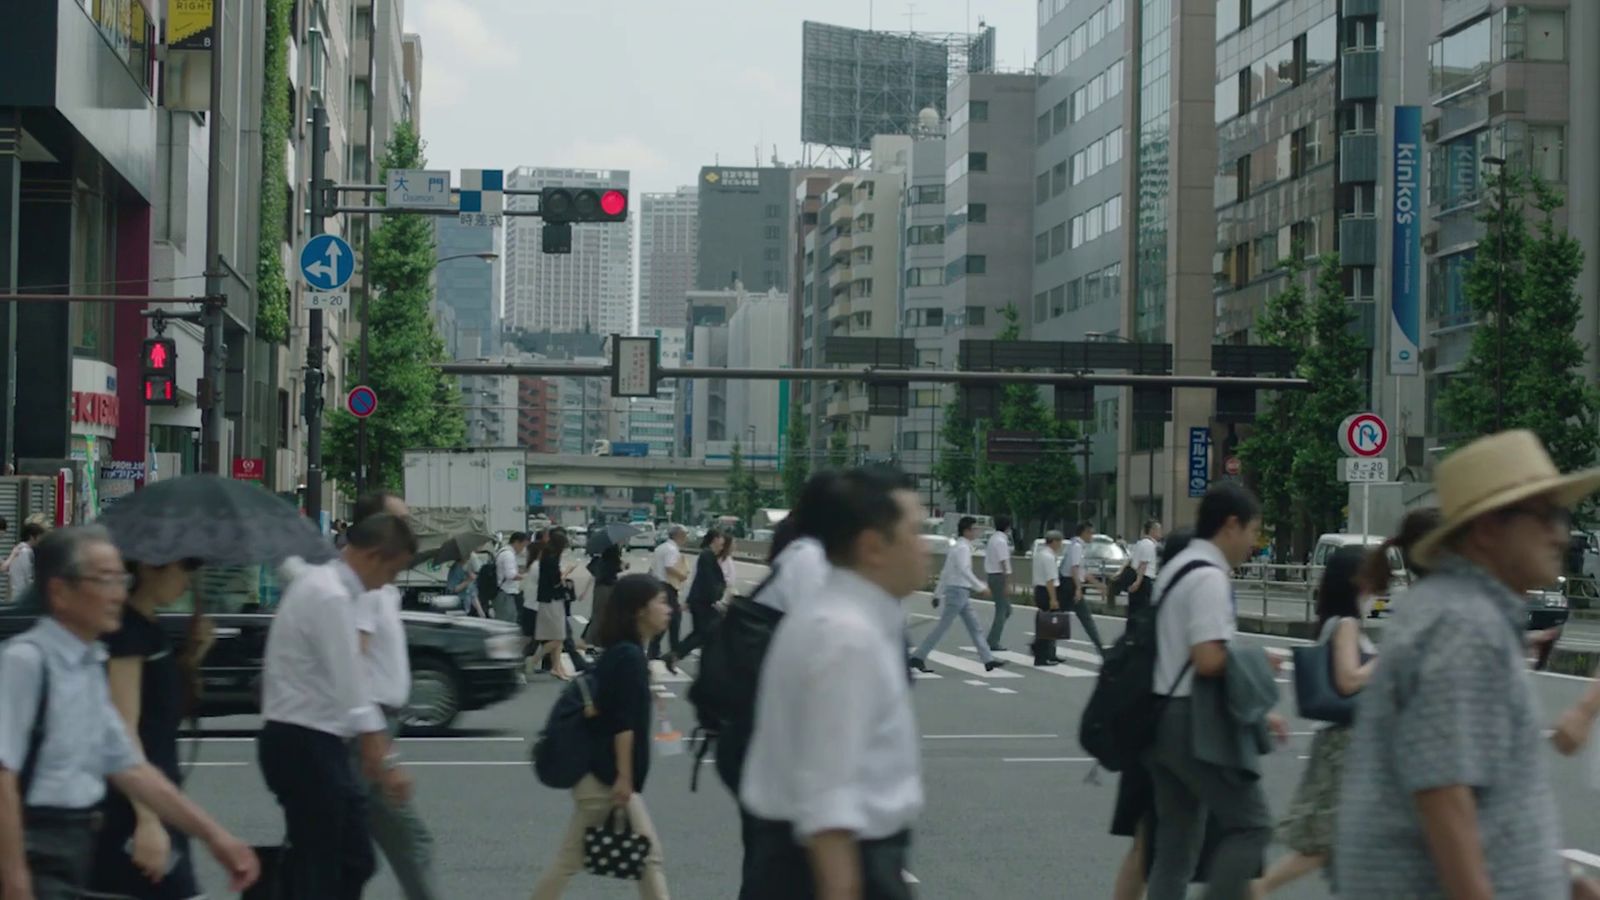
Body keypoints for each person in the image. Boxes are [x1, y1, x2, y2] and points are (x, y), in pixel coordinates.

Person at [1336, 430, 1600, 899]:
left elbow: (1487, 803)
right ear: (1486, 529)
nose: (1560, 534)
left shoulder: (1458, 611)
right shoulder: (1463, 625)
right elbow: (1445, 796)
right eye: (1544, 516)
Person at [0, 526, 258, 900]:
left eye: (120, 579)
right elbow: (3, 775)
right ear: (60, 591)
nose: (118, 593)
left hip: (79, 843)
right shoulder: (27, 662)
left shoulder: (89, 662)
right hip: (37, 845)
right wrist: (13, 875)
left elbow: (131, 767)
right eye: (104, 580)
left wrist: (215, 837)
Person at [740, 467, 930, 900]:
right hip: (835, 866)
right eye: (915, 532)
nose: (925, 548)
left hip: (811, 859)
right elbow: (829, 800)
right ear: (872, 546)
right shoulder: (845, 638)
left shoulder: (842, 618)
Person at [256, 513, 417, 900]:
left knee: (347, 859)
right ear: (375, 557)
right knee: (326, 863)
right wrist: (383, 758)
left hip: (312, 740)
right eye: (392, 571)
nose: (388, 584)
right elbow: (351, 682)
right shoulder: (328, 594)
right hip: (303, 740)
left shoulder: (326, 587)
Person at [1145, 483, 1287, 900]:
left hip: (1159, 713)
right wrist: (1259, 662)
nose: (1253, 544)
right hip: (1194, 720)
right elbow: (1208, 658)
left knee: (1176, 845)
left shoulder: (1177, 568)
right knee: (1252, 824)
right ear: (1231, 525)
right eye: (1252, 532)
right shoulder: (1208, 576)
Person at [530, 574, 672, 899]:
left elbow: (614, 705)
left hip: (602, 777)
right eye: (661, 602)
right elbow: (621, 723)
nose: (669, 609)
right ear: (639, 610)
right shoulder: (629, 656)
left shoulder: (626, 652)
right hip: (605, 780)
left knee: (642, 859)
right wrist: (624, 776)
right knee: (642, 858)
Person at [1252, 544, 1377, 897]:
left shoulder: (1337, 622)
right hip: (1346, 745)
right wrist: (1388, 660)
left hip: (1347, 742)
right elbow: (1348, 679)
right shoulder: (1347, 624)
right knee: (1327, 838)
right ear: (1356, 581)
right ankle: (1257, 889)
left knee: (1345, 839)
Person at [90, 555, 209, 899]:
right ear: (148, 567)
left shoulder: (150, 629)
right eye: (183, 567)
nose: (187, 580)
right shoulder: (127, 634)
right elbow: (123, 730)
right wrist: (148, 820)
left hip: (157, 793)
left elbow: (164, 710)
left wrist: (194, 654)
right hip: (134, 806)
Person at [348, 492, 440, 900]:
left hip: (373, 728)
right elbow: (354, 665)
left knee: (342, 849)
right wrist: (381, 752)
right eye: (401, 521)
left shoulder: (377, 585)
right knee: (412, 841)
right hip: (367, 730)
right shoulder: (366, 588)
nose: (410, 529)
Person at [1111, 527, 1194, 900]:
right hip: (1162, 733)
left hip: (1140, 730)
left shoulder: (1160, 600)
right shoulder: (1184, 600)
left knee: (1146, 842)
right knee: (1162, 845)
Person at [909, 516, 1005, 674]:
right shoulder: (962, 548)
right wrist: (980, 587)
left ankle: (988, 660)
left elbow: (946, 571)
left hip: (959, 592)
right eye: (974, 529)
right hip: (958, 591)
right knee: (944, 627)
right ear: (966, 531)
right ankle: (918, 656)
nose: (976, 532)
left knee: (974, 627)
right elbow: (963, 569)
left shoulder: (958, 547)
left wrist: (938, 593)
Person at [662, 530, 729, 671]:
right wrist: (715, 599)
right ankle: (678, 655)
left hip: (701, 601)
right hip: (703, 602)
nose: (722, 542)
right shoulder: (707, 555)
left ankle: (676, 655)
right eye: (721, 538)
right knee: (706, 631)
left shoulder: (708, 555)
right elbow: (708, 580)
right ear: (715, 539)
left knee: (701, 632)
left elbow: (698, 580)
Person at [528, 531, 575, 681]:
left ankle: (557, 667)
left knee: (558, 636)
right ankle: (534, 660)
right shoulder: (551, 560)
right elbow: (555, 582)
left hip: (549, 600)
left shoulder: (546, 558)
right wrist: (567, 571)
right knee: (558, 636)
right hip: (552, 600)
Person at [1062, 522, 1106, 653]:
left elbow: (1083, 571)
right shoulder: (1077, 546)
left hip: (1069, 584)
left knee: (1058, 615)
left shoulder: (1076, 545)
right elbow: (1074, 568)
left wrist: (1098, 585)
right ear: (1084, 533)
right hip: (1069, 585)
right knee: (1085, 617)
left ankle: (1044, 648)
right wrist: (1078, 588)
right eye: (1091, 533)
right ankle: (1100, 648)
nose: (1092, 536)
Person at [648, 526, 690, 660]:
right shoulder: (672, 549)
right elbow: (669, 567)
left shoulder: (661, 547)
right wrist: (682, 575)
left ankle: (655, 649)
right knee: (674, 618)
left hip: (658, 584)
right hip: (668, 586)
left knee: (665, 618)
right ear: (678, 536)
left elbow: (652, 568)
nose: (685, 539)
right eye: (684, 536)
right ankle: (674, 649)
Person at [1030, 531, 1066, 667]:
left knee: (1045, 623)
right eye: (1060, 542)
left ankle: (1047, 653)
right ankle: (1040, 654)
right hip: (1047, 591)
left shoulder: (1040, 554)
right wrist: (1053, 598)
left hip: (1039, 590)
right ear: (1054, 541)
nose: (1061, 545)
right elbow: (1050, 579)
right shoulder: (1049, 557)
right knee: (1048, 625)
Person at [584, 543, 625, 645]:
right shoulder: (613, 561)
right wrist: (623, 565)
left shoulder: (601, 560)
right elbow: (617, 569)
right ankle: (596, 640)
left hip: (599, 588)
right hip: (608, 589)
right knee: (605, 615)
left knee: (597, 615)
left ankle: (591, 639)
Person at [983, 516, 1014, 652]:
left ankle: (992, 639)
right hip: (999, 576)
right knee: (1002, 610)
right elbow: (1004, 563)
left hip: (992, 575)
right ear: (1007, 527)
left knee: (1006, 609)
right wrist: (1007, 583)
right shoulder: (1001, 541)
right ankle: (993, 641)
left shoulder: (993, 539)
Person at [499, 533, 533, 647]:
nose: (522, 549)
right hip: (506, 592)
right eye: (522, 546)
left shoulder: (503, 551)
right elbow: (511, 575)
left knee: (509, 620)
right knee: (508, 621)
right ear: (516, 542)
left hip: (506, 591)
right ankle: (505, 647)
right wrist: (527, 576)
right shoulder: (508, 555)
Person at [1126, 519, 1163, 614]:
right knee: (1143, 609)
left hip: (1135, 577)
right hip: (1143, 580)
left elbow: (1130, 561)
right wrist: (1138, 582)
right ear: (1152, 531)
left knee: (1134, 609)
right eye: (1158, 530)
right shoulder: (1149, 545)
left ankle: (1132, 628)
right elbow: (1143, 564)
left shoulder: (1140, 543)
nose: (1160, 532)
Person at [3, 522, 44, 603]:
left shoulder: (18, 549)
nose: (40, 540)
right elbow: (28, 576)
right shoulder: (25, 552)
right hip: (21, 596)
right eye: (39, 537)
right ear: (32, 537)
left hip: (16, 594)